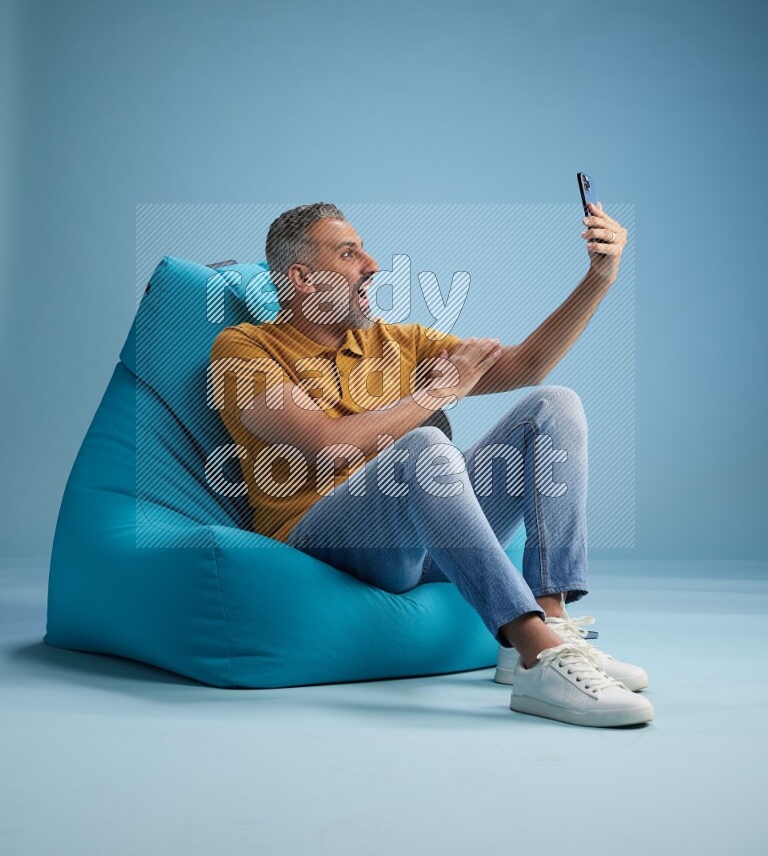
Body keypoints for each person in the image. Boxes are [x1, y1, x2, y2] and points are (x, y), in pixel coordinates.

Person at [210, 202, 653, 728]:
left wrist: (598, 278)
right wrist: (440, 390)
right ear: (302, 278)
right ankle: (537, 655)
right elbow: (328, 444)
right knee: (424, 447)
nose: (372, 265)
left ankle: (553, 625)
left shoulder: (399, 342)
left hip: (426, 541)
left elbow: (528, 365)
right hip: (326, 542)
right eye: (350, 253)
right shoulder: (241, 349)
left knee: (553, 404)